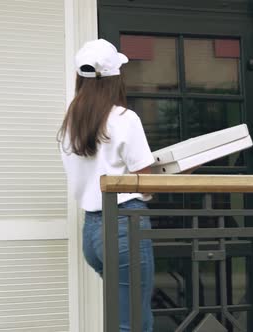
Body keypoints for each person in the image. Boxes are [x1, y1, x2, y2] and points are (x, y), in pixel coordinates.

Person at [58, 39, 155, 332]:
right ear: (115, 78)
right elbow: (146, 182)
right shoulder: (125, 118)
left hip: (92, 232)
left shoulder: (71, 125)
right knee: (134, 323)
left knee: (129, 318)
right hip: (125, 224)